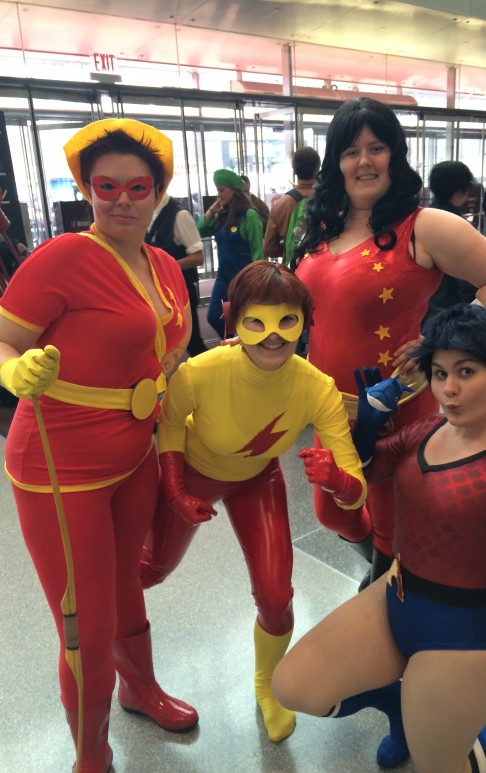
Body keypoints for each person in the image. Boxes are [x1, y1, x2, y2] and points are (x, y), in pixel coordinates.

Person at [272, 303, 486, 773]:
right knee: (294, 686)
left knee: (438, 766)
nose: (449, 389)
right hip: (395, 595)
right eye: (439, 373)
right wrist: (368, 423)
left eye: (466, 371)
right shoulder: (429, 429)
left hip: (459, 637)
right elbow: (372, 469)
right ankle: (403, 710)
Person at [0, 118, 199, 772]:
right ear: (86, 189)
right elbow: (4, 337)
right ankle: (91, 752)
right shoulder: (63, 256)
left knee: (124, 588)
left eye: (137, 187)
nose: (121, 200)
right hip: (60, 466)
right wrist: (12, 371)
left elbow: (170, 350)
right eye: (105, 185)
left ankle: (140, 689)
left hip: (135, 453)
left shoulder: (164, 264)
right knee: (84, 623)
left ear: (158, 193)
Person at [139, 260, 378, 744]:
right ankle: (118, 658)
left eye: (287, 320)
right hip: (192, 473)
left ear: (305, 323)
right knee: (148, 570)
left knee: (275, 596)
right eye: (257, 321)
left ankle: (267, 685)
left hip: (256, 479)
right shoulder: (201, 371)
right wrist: (176, 489)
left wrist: (337, 482)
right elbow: (170, 423)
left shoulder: (317, 387)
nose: (272, 335)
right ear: (235, 321)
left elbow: (356, 482)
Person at [293, 96, 486, 583]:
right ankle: (388, 576)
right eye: (351, 151)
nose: (364, 161)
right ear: (336, 162)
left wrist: (439, 345)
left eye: (376, 148)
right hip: (329, 407)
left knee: (390, 525)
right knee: (333, 511)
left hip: (394, 409)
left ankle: (387, 590)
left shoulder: (422, 225)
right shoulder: (323, 226)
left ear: (395, 156)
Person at [197, 169, 264, 338]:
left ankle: (242, 346)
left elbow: (258, 252)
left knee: (245, 321)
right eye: (217, 190)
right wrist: (212, 211)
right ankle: (230, 343)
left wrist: (258, 284)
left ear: (234, 191)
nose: (218, 195)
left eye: (221, 190)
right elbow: (198, 231)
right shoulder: (221, 215)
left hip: (244, 279)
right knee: (214, 316)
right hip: (224, 276)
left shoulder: (250, 216)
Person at [146, 191, 208, 356]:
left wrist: (166, 266)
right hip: (157, 289)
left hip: (180, 289)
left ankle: (215, 371)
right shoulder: (147, 214)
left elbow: (198, 257)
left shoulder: (180, 215)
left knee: (191, 341)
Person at [421, 160, 477, 328]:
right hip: (450, 308)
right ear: (459, 191)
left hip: (422, 304)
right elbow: (466, 276)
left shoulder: (419, 219)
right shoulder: (457, 225)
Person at [263, 146, 321, 262]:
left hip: (292, 268)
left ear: (294, 170)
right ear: (318, 168)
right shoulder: (328, 200)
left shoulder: (280, 205)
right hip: (322, 266)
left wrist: (289, 248)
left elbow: (269, 248)